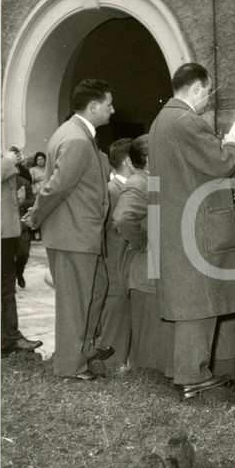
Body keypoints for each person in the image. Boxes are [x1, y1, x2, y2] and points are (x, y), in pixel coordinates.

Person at [147, 63, 235, 399]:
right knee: (199, 304)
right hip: (197, 227)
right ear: (196, 88)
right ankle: (192, 376)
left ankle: (187, 373)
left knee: (189, 303)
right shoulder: (186, 120)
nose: (208, 98)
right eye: (207, 91)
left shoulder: (163, 120)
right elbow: (220, 164)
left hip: (178, 222)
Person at [22, 79, 115, 379]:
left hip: (80, 233)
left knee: (95, 290)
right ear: (94, 106)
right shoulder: (76, 138)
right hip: (74, 234)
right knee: (75, 302)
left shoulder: (75, 133)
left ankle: (83, 351)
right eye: (109, 105)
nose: (113, 110)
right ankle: (70, 366)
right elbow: (57, 187)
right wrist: (35, 216)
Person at [112, 135, 174, 375]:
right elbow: (122, 218)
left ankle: (150, 377)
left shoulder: (151, 180)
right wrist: (143, 243)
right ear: (148, 158)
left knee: (153, 331)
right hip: (145, 269)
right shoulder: (139, 182)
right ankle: (146, 379)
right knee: (148, 332)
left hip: (153, 270)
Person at [1, 152, 43, 356]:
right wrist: (8, 160)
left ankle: (8, 337)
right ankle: (9, 339)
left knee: (6, 290)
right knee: (6, 291)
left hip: (5, 232)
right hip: (1, 234)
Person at [99, 138, 134, 369]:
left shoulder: (121, 189)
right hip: (115, 265)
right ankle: (110, 365)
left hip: (122, 264)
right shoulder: (113, 190)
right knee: (115, 315)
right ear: (129, 162)